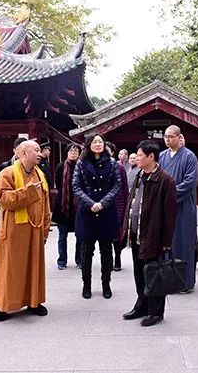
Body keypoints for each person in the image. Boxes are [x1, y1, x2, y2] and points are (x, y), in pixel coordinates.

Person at [0, 140, 51, 321]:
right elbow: (3, 199)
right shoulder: (7, 173)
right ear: (24, 154)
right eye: (36, 150)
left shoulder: (40, 174)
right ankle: (2, 306)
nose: (40, 154)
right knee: (11, 268)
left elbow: (45, 203)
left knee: (34, 267)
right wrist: (28, 192)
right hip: (15, 231)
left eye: (40, 150)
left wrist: (46, 227)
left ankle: (34, 302)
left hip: (35, 229)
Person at [121, 140, 177, 327]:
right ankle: (142, 305)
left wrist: (166, 241)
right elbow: (132, 201)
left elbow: (170, 215)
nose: (136, 158)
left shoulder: (165, 180)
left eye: (140, 155)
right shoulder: (139, 175)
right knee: (139, 272)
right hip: (136, 233)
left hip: (153, 236)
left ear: (151, 157)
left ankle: (156, 311)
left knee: (153, 274)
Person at [73, 133, 121, 299]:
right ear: (88, 145)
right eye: (95, 142)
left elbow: (116, 186)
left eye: (101, 141)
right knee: (86, 251)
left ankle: (106, 284)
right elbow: (76, 186)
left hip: (106, 211)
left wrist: (102, 203)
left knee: (107, 251)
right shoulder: (81, 163)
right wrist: (91, 203)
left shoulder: (113, 163)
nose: (98, 144)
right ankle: (86, 284)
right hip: (87, 212)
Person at [159, 125, 198, 293]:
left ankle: (185, 282)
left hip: (183, 207)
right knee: (166, 243)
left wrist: (170, 195)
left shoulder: (189, 157)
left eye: (170, 136)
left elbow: (190, 182)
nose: (167, 139)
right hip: (165, 207)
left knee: (183, 243)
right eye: (165, 137)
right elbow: (156, 176)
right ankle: (168, 280)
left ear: (179, 137)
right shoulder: (161, 156)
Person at [51, 143, 82, 270]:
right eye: (71, 151)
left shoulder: (82, 166)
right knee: (62, 236)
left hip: (78, 205)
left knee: (80, 236)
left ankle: (79, 260)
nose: (73, 153)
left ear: (79, 153)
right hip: (63, 205)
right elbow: (59, 185)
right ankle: (62, 261)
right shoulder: (60, 167)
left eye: (76, 151)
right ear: (67, 152)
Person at [105, 141, 129, 271]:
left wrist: (126, 205)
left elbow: (124, 187)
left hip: (117, 203)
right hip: (103, 205)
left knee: (116, 235)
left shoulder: (119, 167)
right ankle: (108, 260)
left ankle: (117, 258)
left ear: (113, 153)